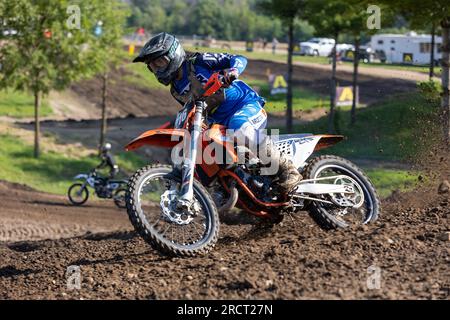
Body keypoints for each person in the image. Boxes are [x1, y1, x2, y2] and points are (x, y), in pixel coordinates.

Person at [132, 32, 301, 193]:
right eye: (152, 67)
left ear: (173, 54)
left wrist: (232, 71)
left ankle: (288, 170)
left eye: (159, 62)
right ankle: (226, 192)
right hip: (221, 124)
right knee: (205, 148)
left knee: (238, 127)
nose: (157, 69)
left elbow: (239, 59)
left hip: (246, 105)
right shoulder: (175, 90)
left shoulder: (198, 62)